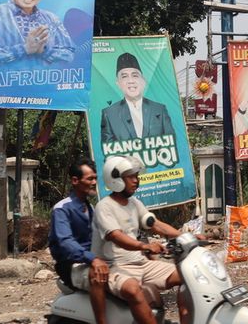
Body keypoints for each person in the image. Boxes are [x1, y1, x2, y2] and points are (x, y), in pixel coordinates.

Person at [93, 156, 186, 324]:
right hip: (115, 267)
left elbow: (155, 224)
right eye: (131, 177)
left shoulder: (134, 203)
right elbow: (116, 236)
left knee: (187, 275)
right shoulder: (104, 206)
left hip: (141, 264)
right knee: (133, 289)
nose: (136, 181)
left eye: (137, 176)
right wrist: (145, 246)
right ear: (115, 179)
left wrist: (186, 237)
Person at [49, 158, 109, 324]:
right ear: (75, 181)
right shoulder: (62, 209)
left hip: (89, 260)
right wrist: (93, 258)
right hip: (70, 264)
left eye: (95, 178)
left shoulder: (90, 208)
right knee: (99, 277)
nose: (94, 182)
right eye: (90, 179)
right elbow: (65, 242)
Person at [101, 53, 176, 143]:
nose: (131, 81)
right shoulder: (109, 113)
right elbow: (109, 150)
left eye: (135, 75)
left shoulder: (159, 109)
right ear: (118, 83)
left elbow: (171, 144)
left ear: (143, 80)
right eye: (124, 76)